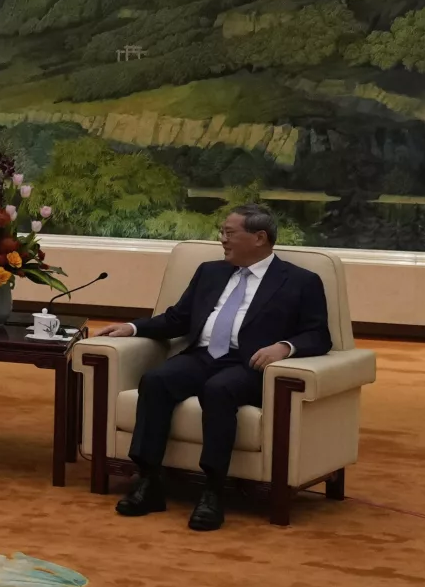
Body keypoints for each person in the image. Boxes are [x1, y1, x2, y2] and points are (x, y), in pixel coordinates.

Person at [97, 203, 330, 532]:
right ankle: (149, 481)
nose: (222, 239)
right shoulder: (210, 272)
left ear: (259, 237)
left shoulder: (300, 281)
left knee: (218, 390)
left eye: (229, 233)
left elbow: (318, 335)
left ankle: (213, 491)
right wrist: (133, 328)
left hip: (249, 363)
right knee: (156, 381)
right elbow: (177, 319)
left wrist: (284, 347)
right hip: (203, 355)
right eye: (222, 232)